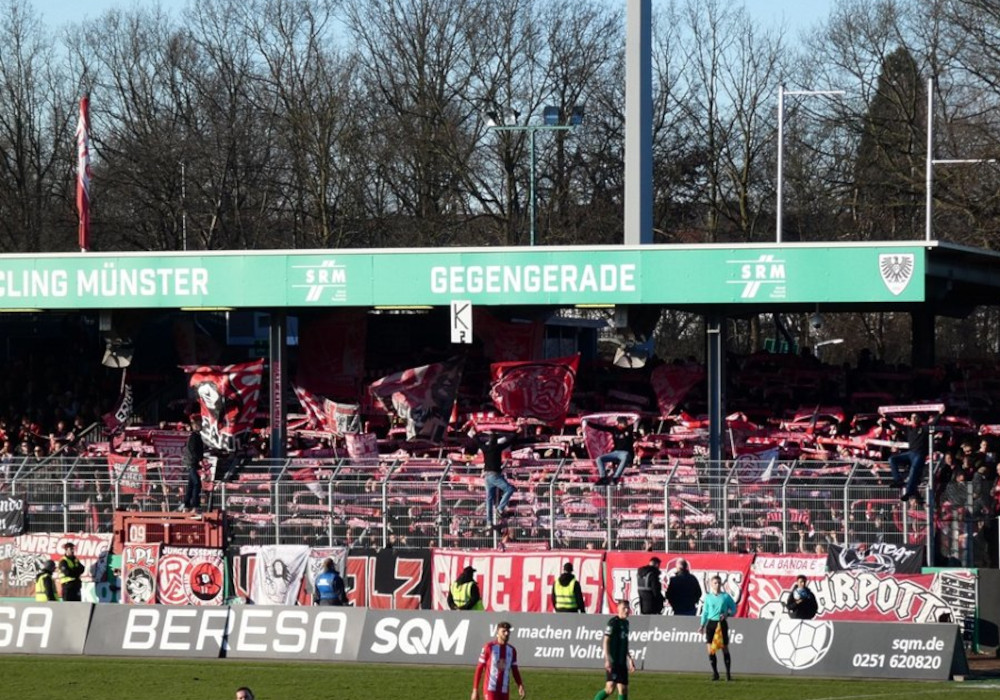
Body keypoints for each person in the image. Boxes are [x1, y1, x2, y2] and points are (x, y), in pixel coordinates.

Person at [883, 410, 940, 503]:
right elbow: (897, 425)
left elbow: (934, 423)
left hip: (919, 454)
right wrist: (886, 417)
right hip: (911, 453)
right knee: (892, 459)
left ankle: (909, 492)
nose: (913, 418)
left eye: (915, 417)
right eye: (912, 417)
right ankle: (898, 480)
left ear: (919, 419)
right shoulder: (908, 429)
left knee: (913, 470)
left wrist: (940, 413)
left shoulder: (924, 428)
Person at [473, 430, 516, 530]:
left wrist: (474, 434)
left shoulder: (485, 448)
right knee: (509, 489)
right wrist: (517, 434)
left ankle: (489, 522)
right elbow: (509, 442)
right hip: (495, 475)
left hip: (487, 476)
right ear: (496, 441)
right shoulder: (498, 447)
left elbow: (478, 441)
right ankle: (500, 508)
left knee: (489, 499)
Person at [471, 621, 525, 700]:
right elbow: (479, 668)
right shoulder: (489, 647)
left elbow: (515, 670)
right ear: (497, 632)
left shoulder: (512, 650)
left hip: (504, 690)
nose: (506, 633)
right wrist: (475, 690)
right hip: (490, 689)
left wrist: (520, 685)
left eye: (508, 631)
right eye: (503, 631)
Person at [593, 600, 636, 700]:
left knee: (623, 689)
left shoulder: (626, 623)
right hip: (614, 661)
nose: (627, 610)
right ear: (618, 609)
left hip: (622, 662)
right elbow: (605, 641)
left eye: (628, 608)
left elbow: (624, 642)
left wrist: (630, 659)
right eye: (624, 608)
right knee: (610, 688)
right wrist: (607, 659)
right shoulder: (613, 623)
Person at [699, 575, 736, 681]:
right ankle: (715, 673)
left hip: (721, 623)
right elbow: (705, 612)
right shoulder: (708, 597)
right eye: (715, 583)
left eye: (719, 583)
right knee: (711, 650)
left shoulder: (726, 596)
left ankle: (728, 674)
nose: (717, 585)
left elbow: (734, 609)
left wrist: (727, 614)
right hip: (711, 624)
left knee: (724, 648)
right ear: (711, 584)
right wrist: (702, 625)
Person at [586, 416, 636, 486]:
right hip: (616, 452)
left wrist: (634, 419)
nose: (625, 425)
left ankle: (615, 478)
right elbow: (601, 427)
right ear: (619, 423)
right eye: (623, 423)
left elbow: (636, 423)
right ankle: (603, 478)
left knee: (624, 457)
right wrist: (588, 423)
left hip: (626, 453)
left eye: (626, 423)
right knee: (599, 459)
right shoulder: (614, 429)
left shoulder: (629, 429)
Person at [182, 414, 205, 515]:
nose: (201, 425)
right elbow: (192, 450)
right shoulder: (194, 436)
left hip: (192, 463)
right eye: (199, 424)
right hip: (192, 463)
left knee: (191, 484)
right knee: (197, 483)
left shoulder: (196, 436)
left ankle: (187, 505)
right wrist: (199, 459)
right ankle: (195, 505)